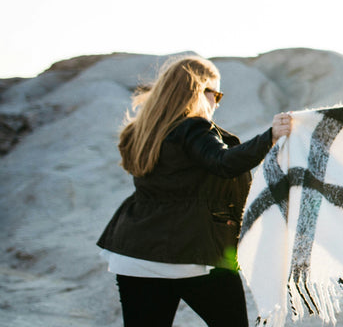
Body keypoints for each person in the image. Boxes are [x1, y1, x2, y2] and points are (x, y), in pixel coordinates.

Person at [96, 55, 292, 326]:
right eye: (216, 94)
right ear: (200, 91)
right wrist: (269, 137)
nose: (216, 103)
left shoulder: (142, 131)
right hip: (193, 254)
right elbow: (223, 162)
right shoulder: (194, 128)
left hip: (137, 253)